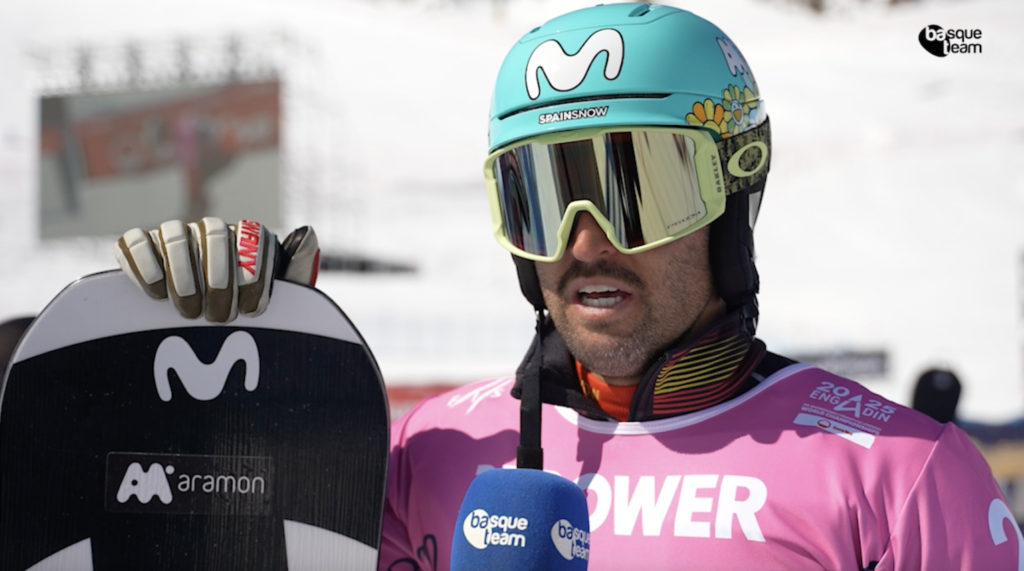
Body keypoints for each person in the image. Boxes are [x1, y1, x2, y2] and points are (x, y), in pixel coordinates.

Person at [114, 4, 1022, 569]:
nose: (585, 241)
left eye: (637, 189)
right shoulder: (424, 454)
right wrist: (219, 407)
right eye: (542, 198)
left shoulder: (901, 476)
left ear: (732, 196)